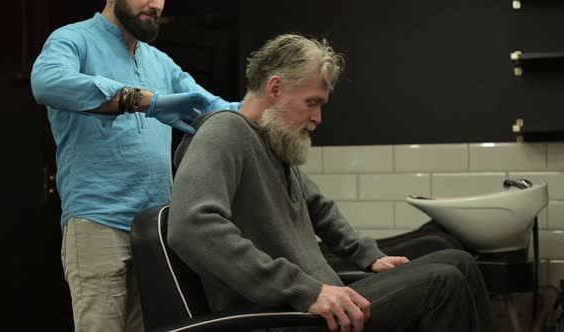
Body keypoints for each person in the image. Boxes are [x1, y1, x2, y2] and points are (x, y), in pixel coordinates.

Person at [167, 33, 497, 332]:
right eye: (312, 103)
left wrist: (367, 255)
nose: (318, 118)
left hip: (318, 303)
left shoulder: (274, 144)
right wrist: (303, 289)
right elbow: (192, 227)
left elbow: (319, 208)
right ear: (276, 88)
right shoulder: (224, 131)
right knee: (443, 283)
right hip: (284, 315)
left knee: (459, 261)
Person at [30, 0, 241, 331]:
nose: (155, 4)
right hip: (97, 220)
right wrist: (142, 100)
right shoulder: (73, 40)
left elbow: (216, 110)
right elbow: (46, 83)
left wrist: (273, 106)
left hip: (154, 229)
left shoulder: (161, 62)